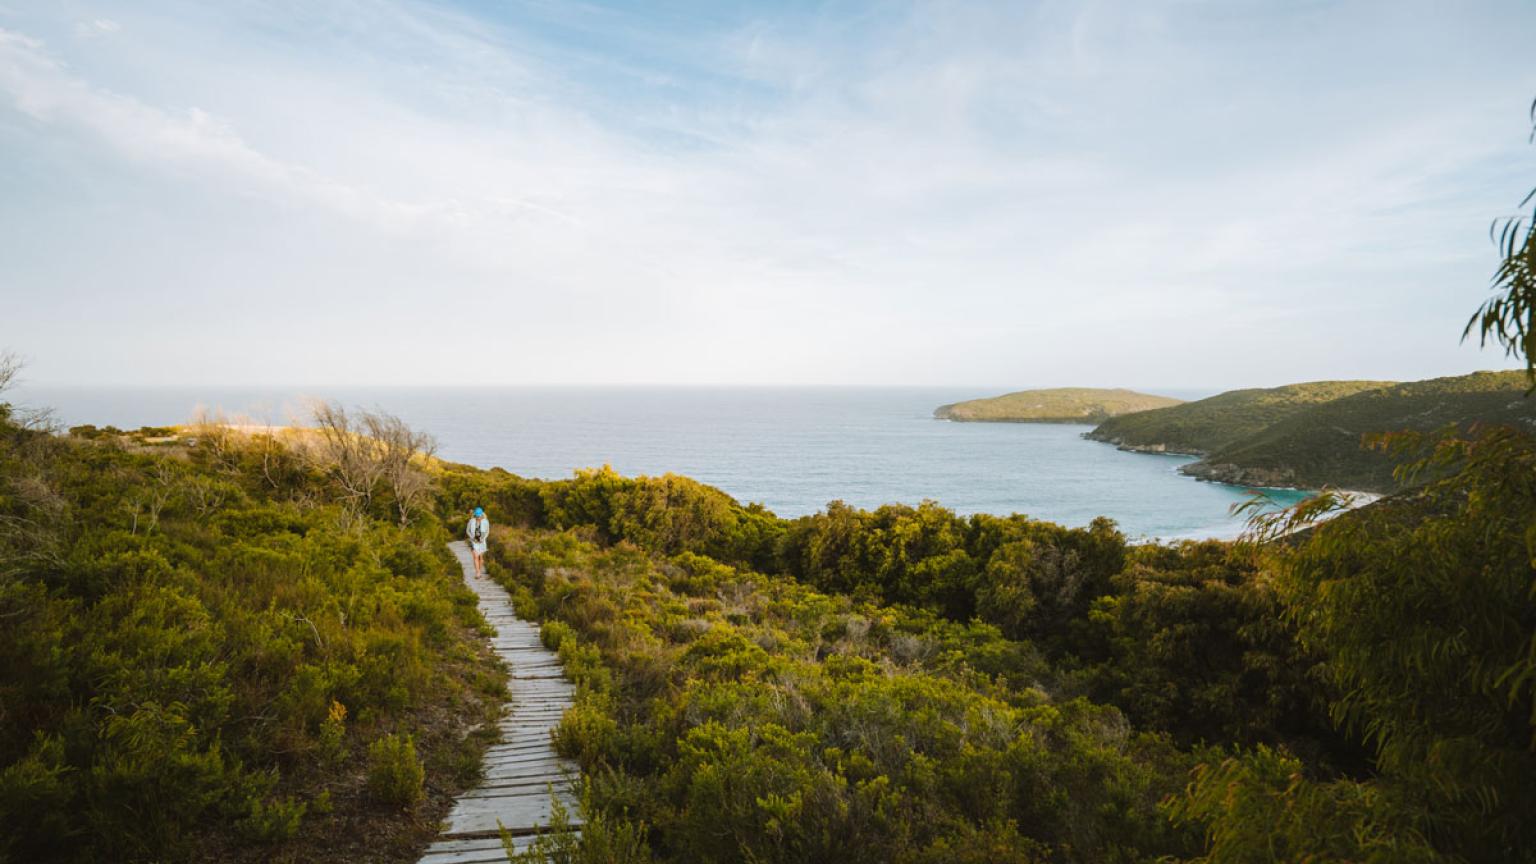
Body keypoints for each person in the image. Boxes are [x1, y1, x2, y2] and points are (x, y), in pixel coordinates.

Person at [466, 507, 490, 578]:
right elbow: (467, 531)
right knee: (475, 556)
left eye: (479, 515)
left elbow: (487, 531)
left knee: (481, 558)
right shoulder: (471, 521)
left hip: (482, 542)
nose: (478, 517)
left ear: (482, 514)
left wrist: (483, 538)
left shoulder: (486, 521)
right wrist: (472, 538)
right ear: (475, 515)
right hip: (474, 542)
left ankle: (480, 570)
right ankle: (477, 572)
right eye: (477, 516)